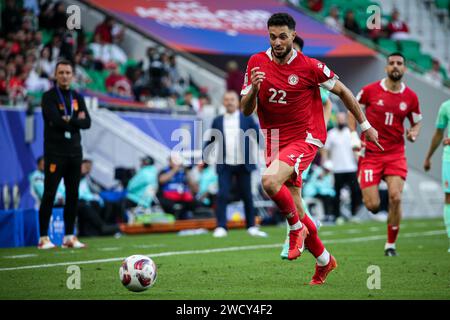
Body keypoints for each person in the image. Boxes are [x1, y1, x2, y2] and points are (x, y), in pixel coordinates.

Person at [241, 13, 381, 285]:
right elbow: (248, 109)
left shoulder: (310, 67)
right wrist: (254, 89)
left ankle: (295, 230)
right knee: (298, 207)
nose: (277, 42)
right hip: (274, 139)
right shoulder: (256, 62)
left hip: (305, 137)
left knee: (269, 182)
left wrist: (364, 126)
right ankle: (325, 261)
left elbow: (344, 92)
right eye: (272, 36)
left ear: (293, 35)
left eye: (283, 36)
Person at [349, 52, 422, 257]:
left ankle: (390, 245)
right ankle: (365, 182)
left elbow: (416, 121)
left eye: (399, 63)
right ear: (386, 68)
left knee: (396, 197)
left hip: (395, 154)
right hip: (371, 154)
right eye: (391, 63)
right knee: (372, 206)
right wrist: (353, 136)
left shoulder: (411, 97)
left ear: (405, 68)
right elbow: (351, 109)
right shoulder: (369, 91)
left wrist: (414, 132)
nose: (395, 66)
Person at [38, 60, 91, 249]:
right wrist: (75, 121)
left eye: (68, 72)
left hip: (75, 153)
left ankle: (69, 236)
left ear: (73, 75)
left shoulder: (78, 96)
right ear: (55, 75)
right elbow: (55, 121)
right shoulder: (49, 97)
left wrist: (70, 119)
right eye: (61, 72)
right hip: (55, 153)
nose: (65, 76)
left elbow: (88, 123)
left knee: (73, 195)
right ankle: (43, 237)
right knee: (50, 193)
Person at [204, 90, 267, 238]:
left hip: (244, 163)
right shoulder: (217, 120)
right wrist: (203, 157)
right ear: (223, 102)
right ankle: (221, 227)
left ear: (237, 102)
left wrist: (268, 152)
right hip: (224, 164)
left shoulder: (247, 118)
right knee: (222, 195)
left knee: (247, 196)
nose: (229, 102)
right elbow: (211, 140)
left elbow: (258, 136)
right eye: (226, 100)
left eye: (232, 99)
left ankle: (251, 226)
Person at [322, 112, 361, 222]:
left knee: (355, 192)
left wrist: (360, 163)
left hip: (351, 168)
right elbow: (325, 150)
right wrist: (325, 164)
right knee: (336, 193)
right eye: (339, 119)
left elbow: (356, 150)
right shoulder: (331, 134)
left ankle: (353, 214)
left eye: (343, 119)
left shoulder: (350, 133)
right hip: (337, 169)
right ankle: (337, 216)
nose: (341, 121)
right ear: (336, 120)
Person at [423, 99, 450, 252]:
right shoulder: (445, 107)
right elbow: (439, 133)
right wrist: (428, 157)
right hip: (448, 156)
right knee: (448, 197)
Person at [157, 153, 199, 219]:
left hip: (182, 198)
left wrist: (187, 172)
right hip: (168, 199)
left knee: (195, 204)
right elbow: (161, 180)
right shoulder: (165, 171)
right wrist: (174, 170)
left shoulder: (183, 172)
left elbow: (195, 188)